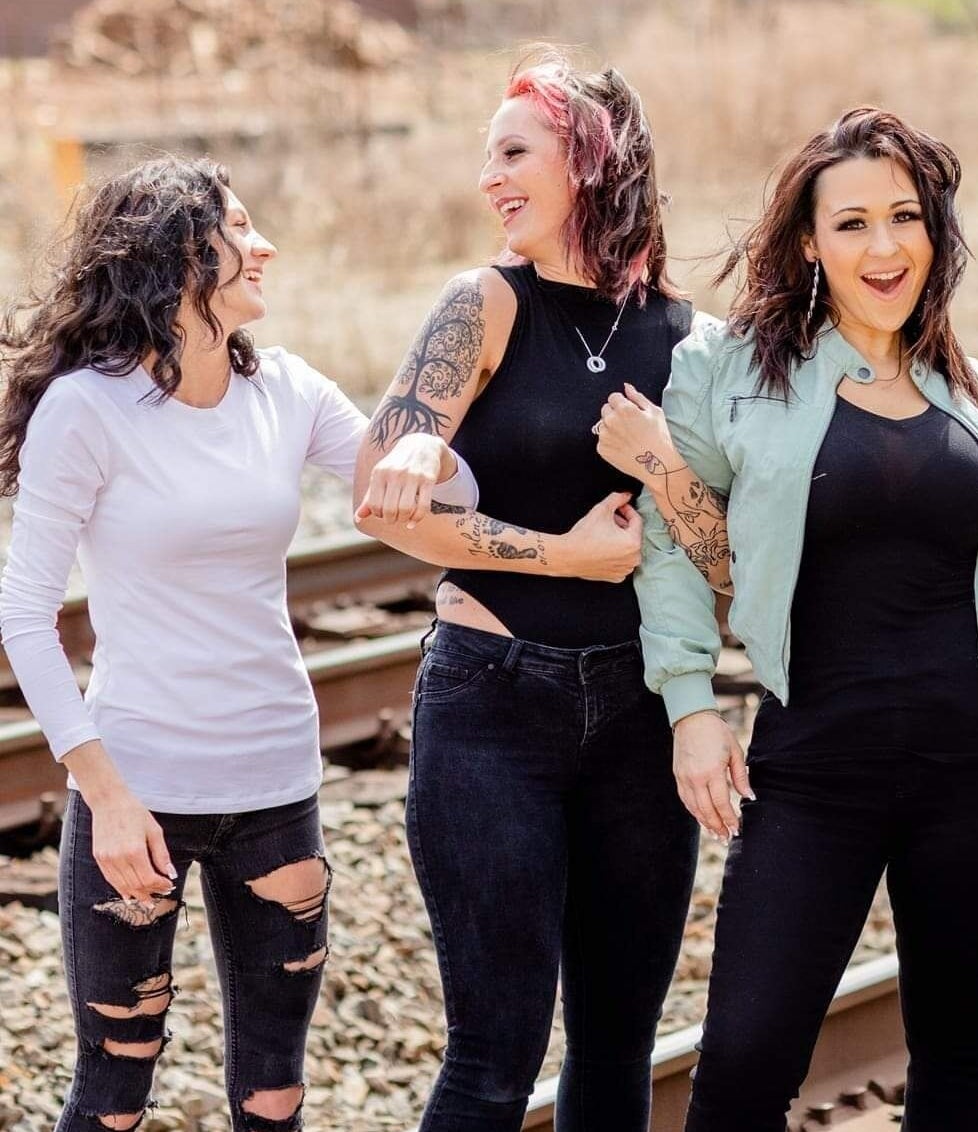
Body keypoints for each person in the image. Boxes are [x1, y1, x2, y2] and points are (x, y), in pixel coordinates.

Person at [0, 156, 471, 1132]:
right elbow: (23, 616)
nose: (266, 247)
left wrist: (426, 445)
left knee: (275, 1093)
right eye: (242, 229)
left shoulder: (287, 389)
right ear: (178, 255)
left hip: (274, 786)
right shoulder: (85, 410)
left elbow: (444, 494)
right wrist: (106, 793)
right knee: (113, 1097)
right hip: (139, 792)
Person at [615, 106, 978, 1132]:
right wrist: (689, 704)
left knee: (959, 1057)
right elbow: (671, 542)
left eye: (904, 217)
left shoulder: (973, 387)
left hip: (977, 772)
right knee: (743, 1066)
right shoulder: (732, 372)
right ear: (807, 241)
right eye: (850, 223)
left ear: (935, 234)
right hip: (813, 767)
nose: (884, 245)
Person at [350, 51, 698, 1131]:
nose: (490, 180)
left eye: (513, 153)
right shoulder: (483, 303)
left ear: (591, 162)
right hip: (491, 701)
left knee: (614, 1053)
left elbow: (730, 557)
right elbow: (377, 494)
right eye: (486, 157)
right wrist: (562, 554)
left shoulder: (691, 335)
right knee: (493, 1056)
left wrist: (670, 475)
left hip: (641, 714)